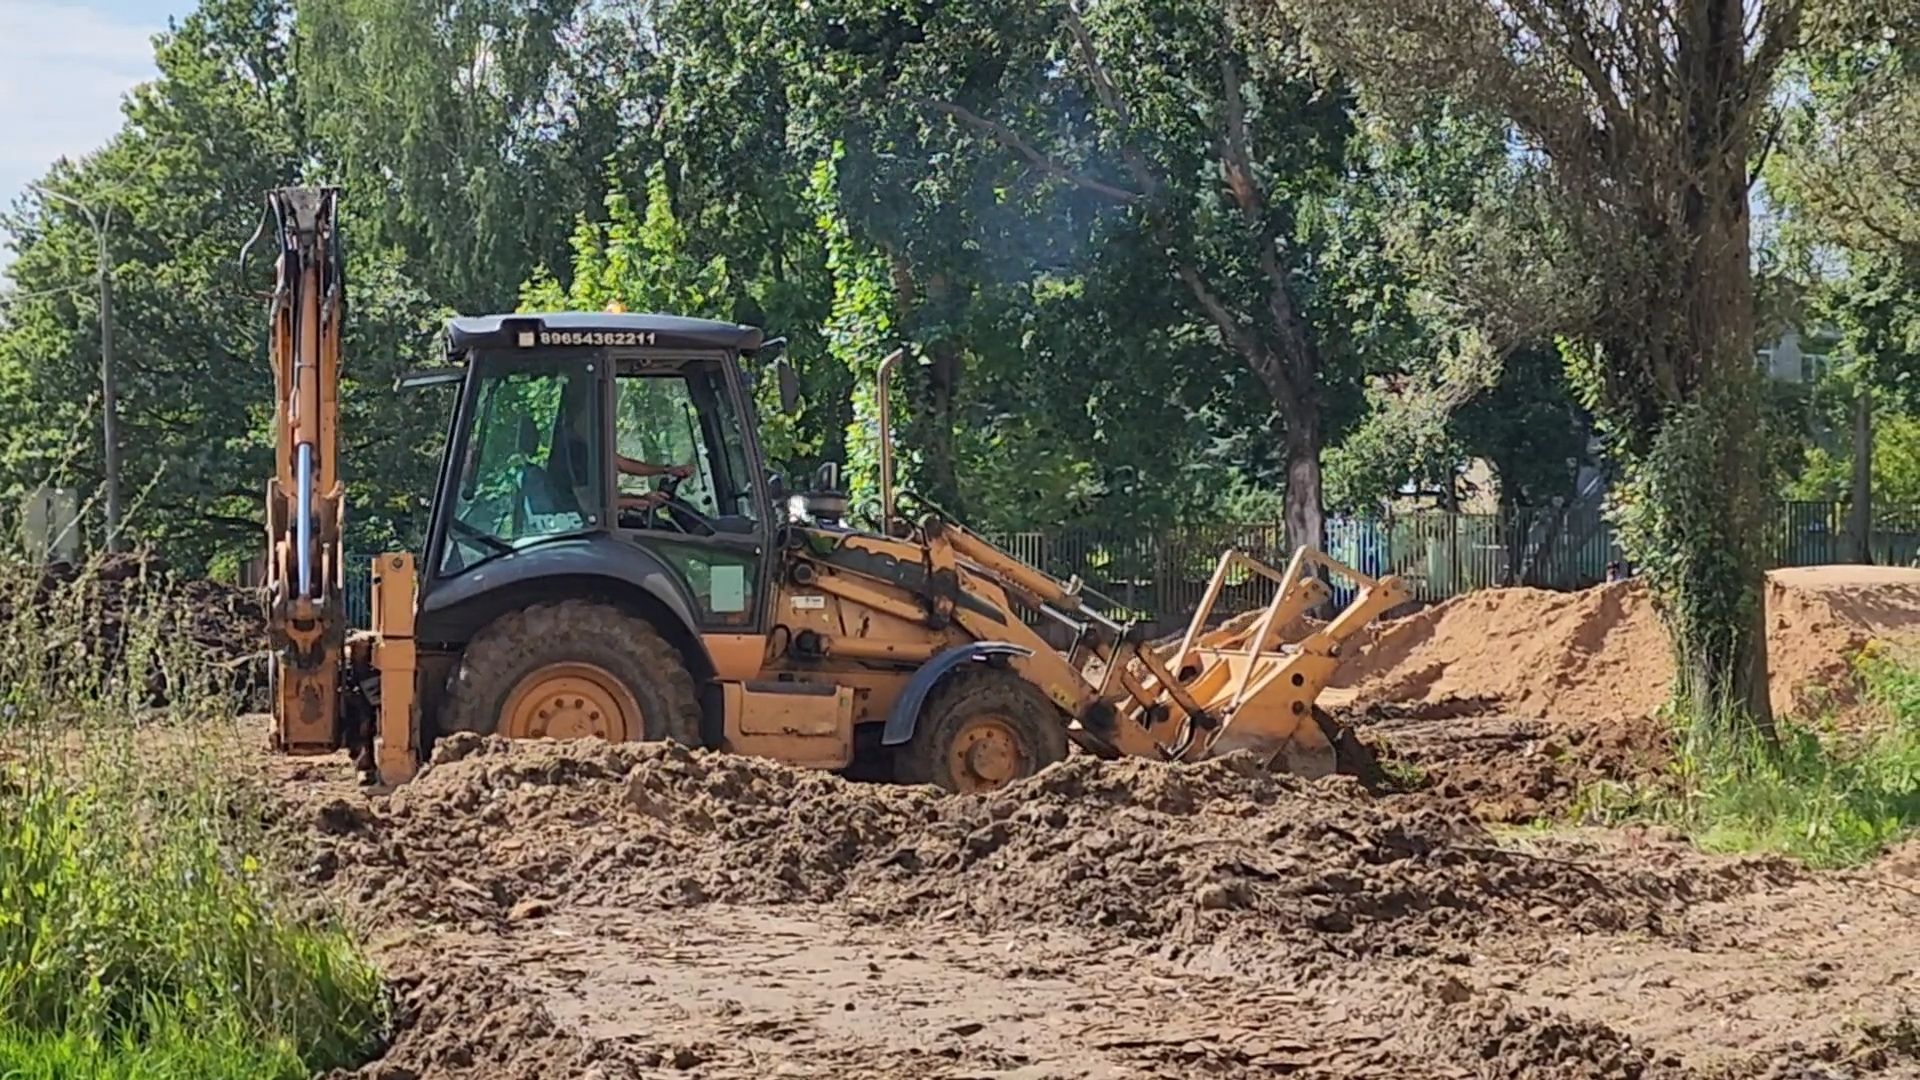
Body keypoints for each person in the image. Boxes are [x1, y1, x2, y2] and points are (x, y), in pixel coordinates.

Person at [616, 454, 693, 512]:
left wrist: (668, 470)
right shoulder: (605, 456)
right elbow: (609, 504)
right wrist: (641, 502)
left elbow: (626, 465)